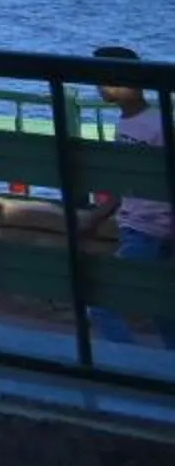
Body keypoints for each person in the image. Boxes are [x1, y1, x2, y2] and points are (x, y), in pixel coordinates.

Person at [86, 46, 172, 347]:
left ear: (134, 84)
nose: (102, 85)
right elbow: (127, 183)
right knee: (161, 306)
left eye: (110, 78)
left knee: (101, 301)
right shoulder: (125, 124)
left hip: (150, 231)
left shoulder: (159, 125)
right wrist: (98, 216)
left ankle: (129, 364)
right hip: (135, 228)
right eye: (99, 78)